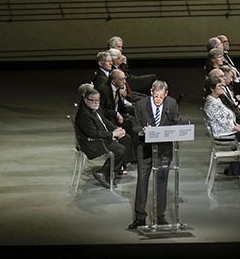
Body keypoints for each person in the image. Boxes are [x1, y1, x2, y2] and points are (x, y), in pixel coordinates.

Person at [128, 80, 180, 230]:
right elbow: (135, 125)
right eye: (156, 96)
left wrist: (172, 128)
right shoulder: (140, 104)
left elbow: (177, 121)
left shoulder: (171, 103)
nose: (158, 100)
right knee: (142, 181)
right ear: (151, 92)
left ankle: (159, 216)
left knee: (162, 181)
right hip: (144, 149)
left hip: (164, 149)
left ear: (166, 94)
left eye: (161, 97)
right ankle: (140, 217)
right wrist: (143, 129)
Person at [74, 87, 134, 189]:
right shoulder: (84, 114)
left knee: (126, 138)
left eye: (97, 100)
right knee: (120, 149)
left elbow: (105, 122)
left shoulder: (96, 108)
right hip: (92, 144)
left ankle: (117, 167)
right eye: (92, 100)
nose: (95, 102)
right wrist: (112, 134)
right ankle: (103, 172)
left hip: (101, 137)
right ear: (85, 100)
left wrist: (117, 129)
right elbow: (94, 134)